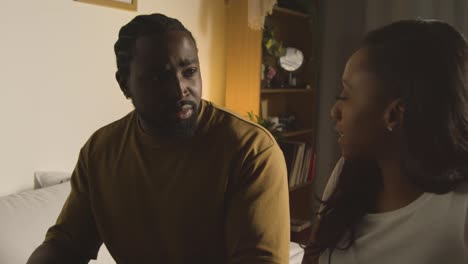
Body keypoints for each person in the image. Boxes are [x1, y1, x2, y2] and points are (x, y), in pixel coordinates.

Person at [27, 13, 290, 264]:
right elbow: (65, 246)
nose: (180, 89)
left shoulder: (251, 150)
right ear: (125, 85)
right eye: (157, 77)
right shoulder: (100, 152)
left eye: (189, 71)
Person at [303, 19, 468, 264]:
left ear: (395, 114)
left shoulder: (460, 208)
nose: (334, 111)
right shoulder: (347, 174)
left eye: (346, 95)